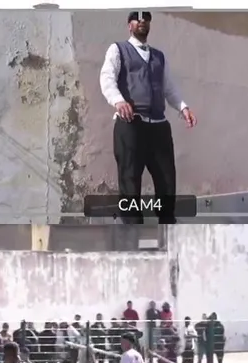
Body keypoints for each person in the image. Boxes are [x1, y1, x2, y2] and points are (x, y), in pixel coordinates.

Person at [98, 10, 197, 224]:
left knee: (167, 183)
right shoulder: (118, 50)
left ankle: (168, 232)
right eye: (137, 18)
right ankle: (133, 236)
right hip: (131, 125)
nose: (142, 21)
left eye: (146, 18)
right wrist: (118, 101)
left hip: (159, 127)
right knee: (130, 183)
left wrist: (183, 108)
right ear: (129, 25)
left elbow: (169, 88)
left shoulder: (159, 57)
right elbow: (107, 78)